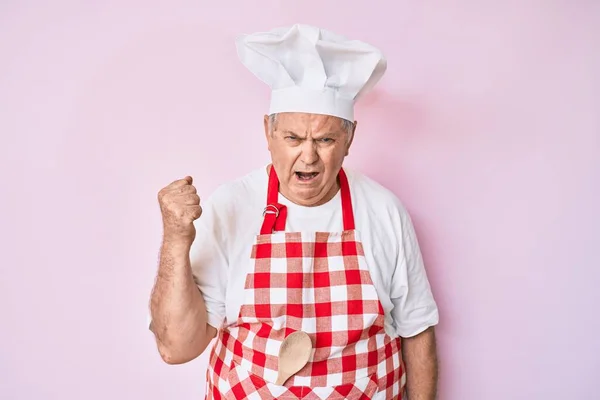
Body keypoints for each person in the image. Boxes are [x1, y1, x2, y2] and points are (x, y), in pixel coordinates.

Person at [149, 24, 439, 399]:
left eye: (325, 139)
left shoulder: (383, 211)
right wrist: (175, 239)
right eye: (293, 138)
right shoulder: (230, 207)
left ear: (349, 140)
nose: (308, 156)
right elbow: (176, 348)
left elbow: (418, 332)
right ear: (268, 135)